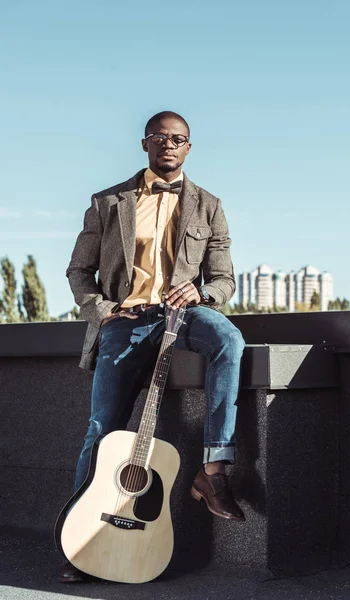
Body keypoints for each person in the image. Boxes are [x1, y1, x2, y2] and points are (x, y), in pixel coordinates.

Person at [59, 111, 246, 583]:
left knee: (228, 337)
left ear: (189, 147)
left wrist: (202, 294)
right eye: (160, 137)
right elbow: (78, 272)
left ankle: (214, 469)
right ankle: (78, 545)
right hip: (126, 320)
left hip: (184, 315)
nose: (169, 144)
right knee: (102, 430)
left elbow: (224, 280)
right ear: (145, 144)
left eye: (178, 139)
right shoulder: (107, 203)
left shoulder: (210, 205)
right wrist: (101, 310)